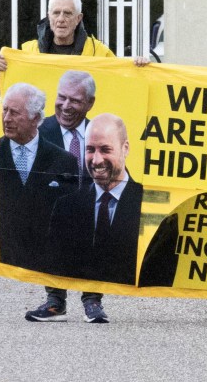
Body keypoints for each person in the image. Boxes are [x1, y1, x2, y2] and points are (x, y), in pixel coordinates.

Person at [0, 0, 146, 323]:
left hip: (87, 157)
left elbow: (127, 78)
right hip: (50, 154)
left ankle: (93, 299)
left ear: (79, 19)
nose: (60, 20)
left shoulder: (98, 52)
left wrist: (142, 66)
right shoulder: (29, 52)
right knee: (50, 223)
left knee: (97, 225)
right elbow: (13, 93)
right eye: (55, 13)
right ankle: (54, 300)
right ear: (48, 17)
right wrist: (0, 70)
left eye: (67, 14)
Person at [30, 70, 105, 322]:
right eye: (61, 97)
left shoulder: (101, 134)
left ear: (90, 103)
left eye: (74, 100)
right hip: (51, 212)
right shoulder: (38, 131)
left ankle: (93, 301)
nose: (65, 105)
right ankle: (55, 302)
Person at [46, 113, 143, 289]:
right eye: (90, 149)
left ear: (125, 148)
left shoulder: (148, 205)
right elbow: (56, 263)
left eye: (105, 149)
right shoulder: (65, 207)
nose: (96, 161)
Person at [0, 83, 79, 272]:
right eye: (5, 110)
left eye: (15, 113)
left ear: (35, 118)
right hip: (6, 257)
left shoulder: (64, 161)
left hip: (48, 258)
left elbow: (71, 219)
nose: (6, 119)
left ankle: (56, 299)